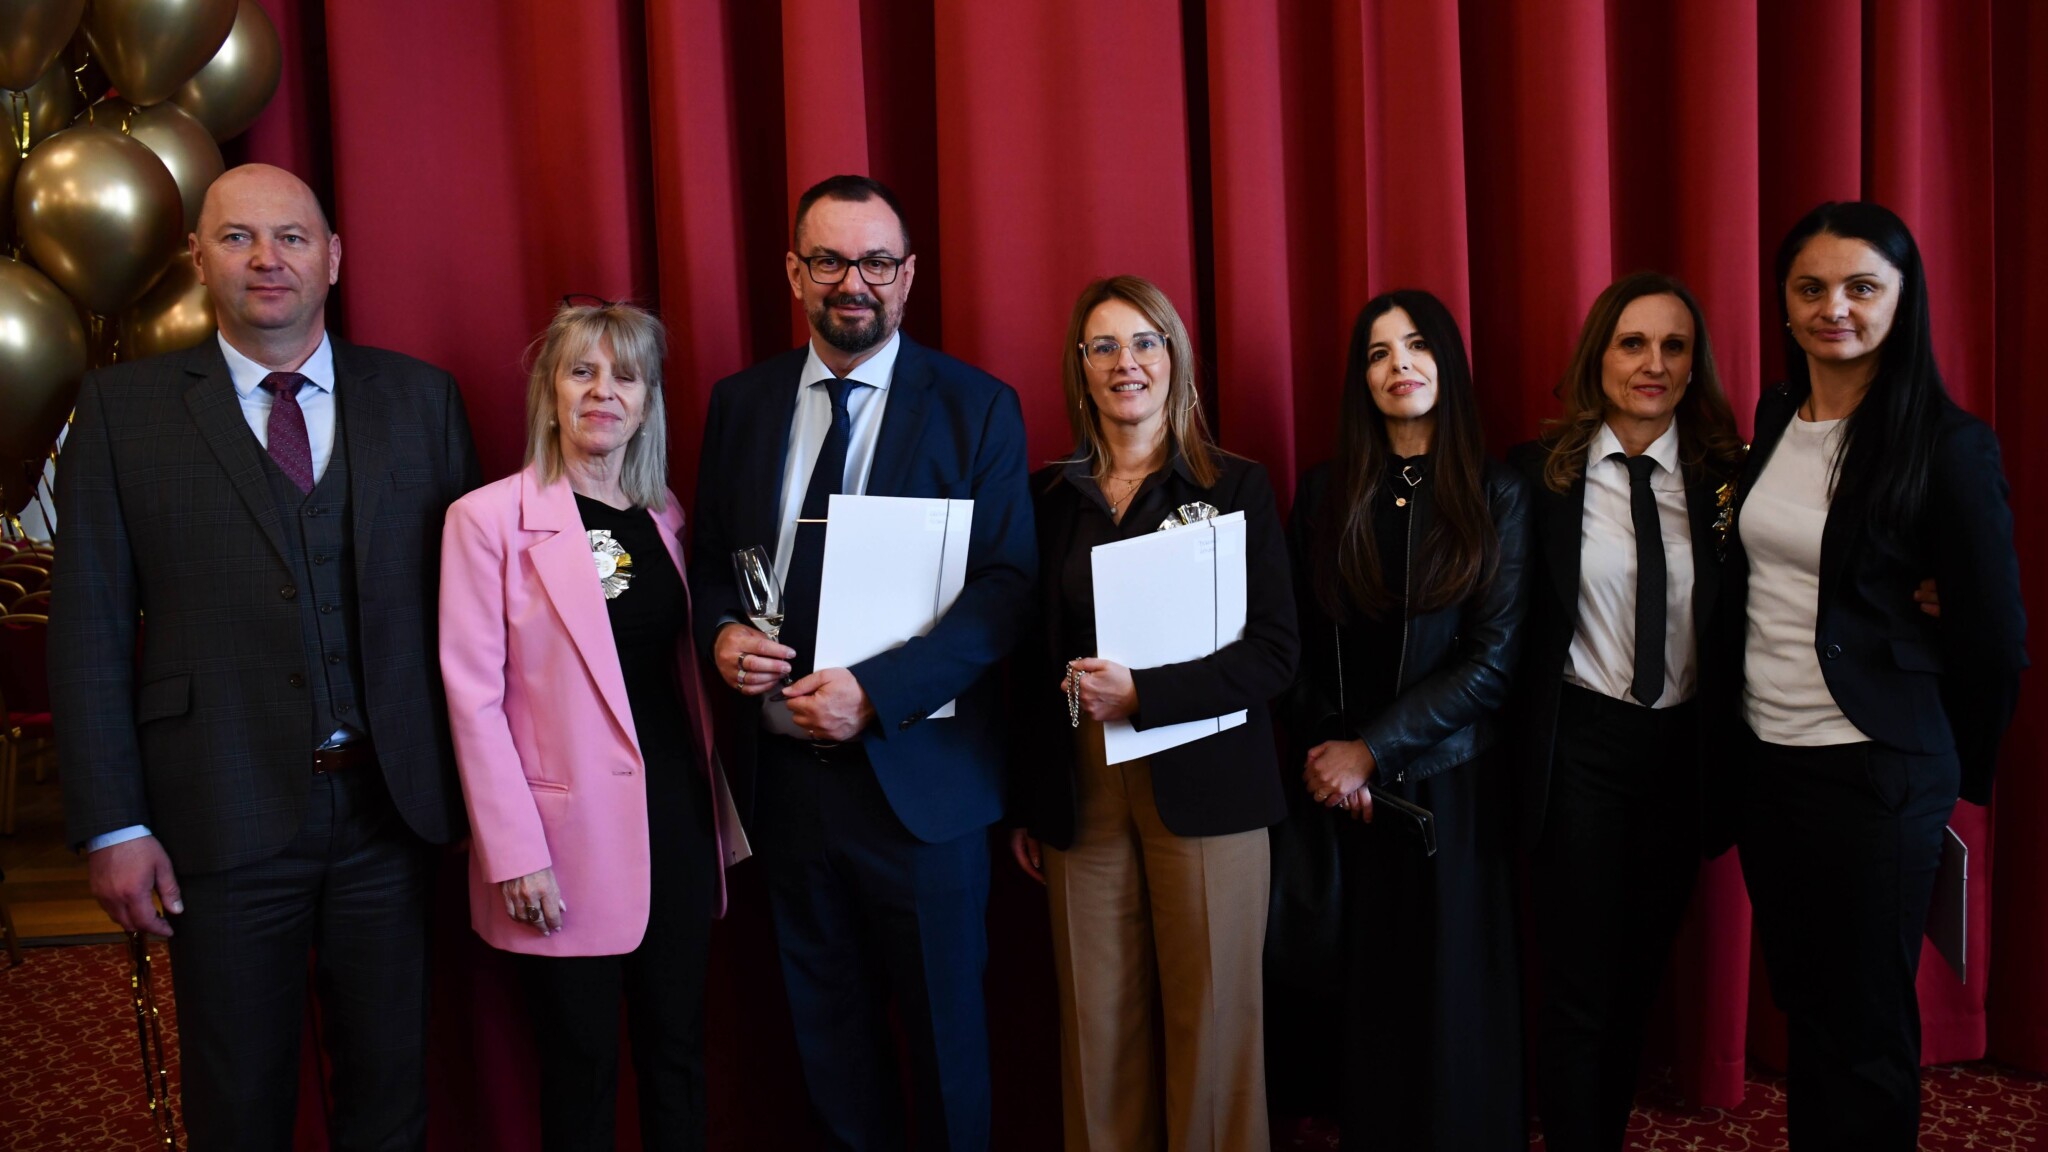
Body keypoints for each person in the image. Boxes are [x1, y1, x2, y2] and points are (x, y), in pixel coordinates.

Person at [49, 163, 480, 1148]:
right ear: (197, 258)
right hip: (219, 815)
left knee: (391, 1101)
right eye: (237, 237)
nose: (266, 259)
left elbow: (474, 620)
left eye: (291, 237)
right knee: (238, 1105)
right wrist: (112, 823)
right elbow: (89, 630)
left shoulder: (422, 400)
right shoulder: (122, 412)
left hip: (395, 816)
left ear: (334, 258)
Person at [687, 174, 1034, 1150]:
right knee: (829, 1058)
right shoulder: (741, 403)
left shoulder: (975, 407)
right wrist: (721, 634)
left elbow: (1006, 589)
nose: (854, 282)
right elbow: (709, 561)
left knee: (947, 1056)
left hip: (922, 791)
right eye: (831, 260)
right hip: (785, 788)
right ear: (793, 272)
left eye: (876, 262)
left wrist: (875, 695)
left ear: (908, 275)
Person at [1727, 201, 2025, 1149]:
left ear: (1904, 298)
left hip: (1875, 769)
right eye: (1810, 288)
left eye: (1862, 287)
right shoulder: (1776, 414)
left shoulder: (1948, 444)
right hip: (1768, 760)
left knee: (1865, 1027)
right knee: (1807, 1006)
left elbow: (1995, 640)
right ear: (1784, 302)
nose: (1835, 308)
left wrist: (1939, 760)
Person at [1007, 275, 1297, 1151]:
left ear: (1174, 357)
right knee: (1096, 1026)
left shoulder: (1237, 486)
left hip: (1209, 786)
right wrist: (1030, 796)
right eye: (1103, 346)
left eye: (1144, 342)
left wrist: (1147, 695)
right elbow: (1026, 657)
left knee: (1213, 1025)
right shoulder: (1046, 497)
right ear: (1081, 367)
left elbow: (1275, 652)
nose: (1124, 362)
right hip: (1083, 786)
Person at [439, 300, 730, 1150]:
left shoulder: (666, 514)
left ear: (647, 403)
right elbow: (472, 697)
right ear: (551, 391)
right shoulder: (485, 520)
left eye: (626, 377)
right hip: (561, 842)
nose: (604, 391)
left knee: (677, 1059)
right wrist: (514, 852)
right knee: (580, 1073)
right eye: (582, 372)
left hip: (675, 822)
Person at [1506, 273, 1746, 1150]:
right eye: (1632, 343)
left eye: (1674, 346)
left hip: (1682, 752)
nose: (1653, 364)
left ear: (1694, 365)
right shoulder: (1537, 476)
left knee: (1641, 978)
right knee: (1578, 985)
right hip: (1580, 748)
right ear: (1598, 357)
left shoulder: (1729, 479)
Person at [1286, 289, 1529, 1150]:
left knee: (1452, 996)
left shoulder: (1497, 493)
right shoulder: (1326, 491)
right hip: (1344, 793)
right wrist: (1333, 755)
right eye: (1379, 353)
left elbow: (1493, 661)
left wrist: (1373, 750)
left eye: (1417, 345)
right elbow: (1297, 643)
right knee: (1372, 995)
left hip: (1450, 783)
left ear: (1447, 362)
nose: (1400, 366)